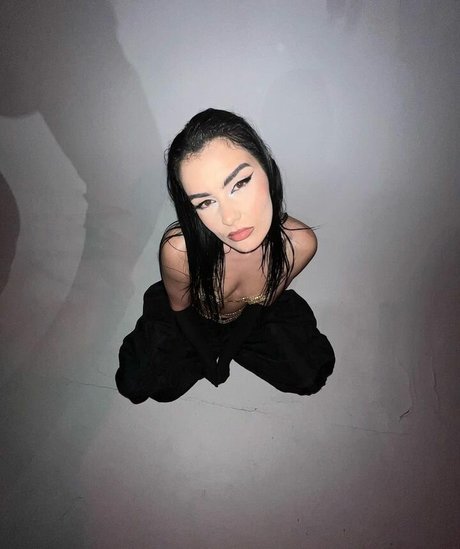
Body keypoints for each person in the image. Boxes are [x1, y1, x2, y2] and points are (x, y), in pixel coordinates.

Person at [115, 108, 335, 404]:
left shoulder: (298, 244)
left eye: (239, 184)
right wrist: (208, 358)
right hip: (192, 318)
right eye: (205, 202)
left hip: (249, 319)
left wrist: (228, 353)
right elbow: (181, 310)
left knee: (310, 375)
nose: (229, 218)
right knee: (137, 384)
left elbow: (260, 309)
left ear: (267, 168)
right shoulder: (179, 250)